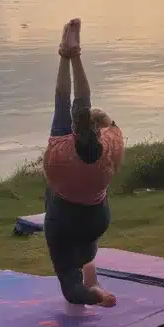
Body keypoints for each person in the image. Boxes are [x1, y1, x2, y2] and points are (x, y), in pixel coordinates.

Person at [42, 18, 125, 307]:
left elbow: (65, 101)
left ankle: (69, 55)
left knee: (69, 285)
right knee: (85, 236)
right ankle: (92, 279)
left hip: (65, 220)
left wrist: (66, 60)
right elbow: (101, 118)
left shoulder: (60, 155)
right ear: (98, 133)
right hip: (94, 220)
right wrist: (102, 117)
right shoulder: (110, 149)